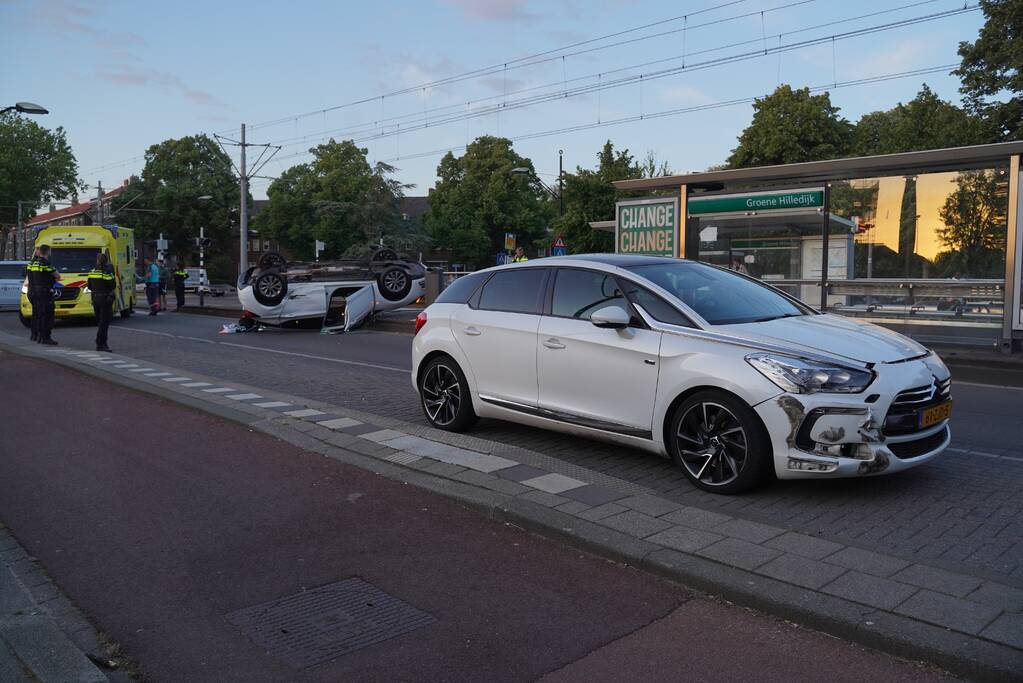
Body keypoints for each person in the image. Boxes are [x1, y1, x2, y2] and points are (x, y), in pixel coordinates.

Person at [26, 244, 60, 345]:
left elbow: (28, 275)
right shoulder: (46, 263)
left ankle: (35, 335)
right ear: (48, 251)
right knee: (47, 315)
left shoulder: (32, 263)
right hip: (44, 292)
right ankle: (45, 337)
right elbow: (57, 275)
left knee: (37, 314)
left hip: (33, 291)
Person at [87, 252, 116, 352]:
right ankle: (101, 343)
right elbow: (113, 286)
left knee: (100, 321)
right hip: (105, 299)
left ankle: (100, 343)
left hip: (95, 298)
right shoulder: (106, 273)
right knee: (104, 323)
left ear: (97, 261)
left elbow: (89, 286)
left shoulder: (92, 271)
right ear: (106, 261)